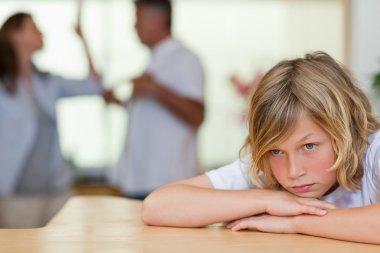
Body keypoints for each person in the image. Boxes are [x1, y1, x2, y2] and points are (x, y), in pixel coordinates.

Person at [141, 52, 380, 244]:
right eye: (277, 151)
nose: (293, 171)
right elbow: (157, 206)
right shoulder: (263, 167)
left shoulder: (374, 150)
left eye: (309, 146)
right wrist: (267, 199)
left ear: (345, 131)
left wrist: (296, 222)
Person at [109, 0, 205, 199]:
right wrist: (120, 102)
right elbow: (150, 119)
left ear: (159, 19)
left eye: (138, 17)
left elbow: (196, 115)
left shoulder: (185, 59)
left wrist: (156, 89)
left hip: (167, 184)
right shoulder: (155, 61)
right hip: (138, 181)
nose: (134, 26)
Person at [0, 12, 103, 196]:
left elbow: (94, 86)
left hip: (52, 189)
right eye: (34, 28)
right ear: (15, 37)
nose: (41, 33)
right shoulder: (3, 86)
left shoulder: (48, 82)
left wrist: (83, 38)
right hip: (13, 191)